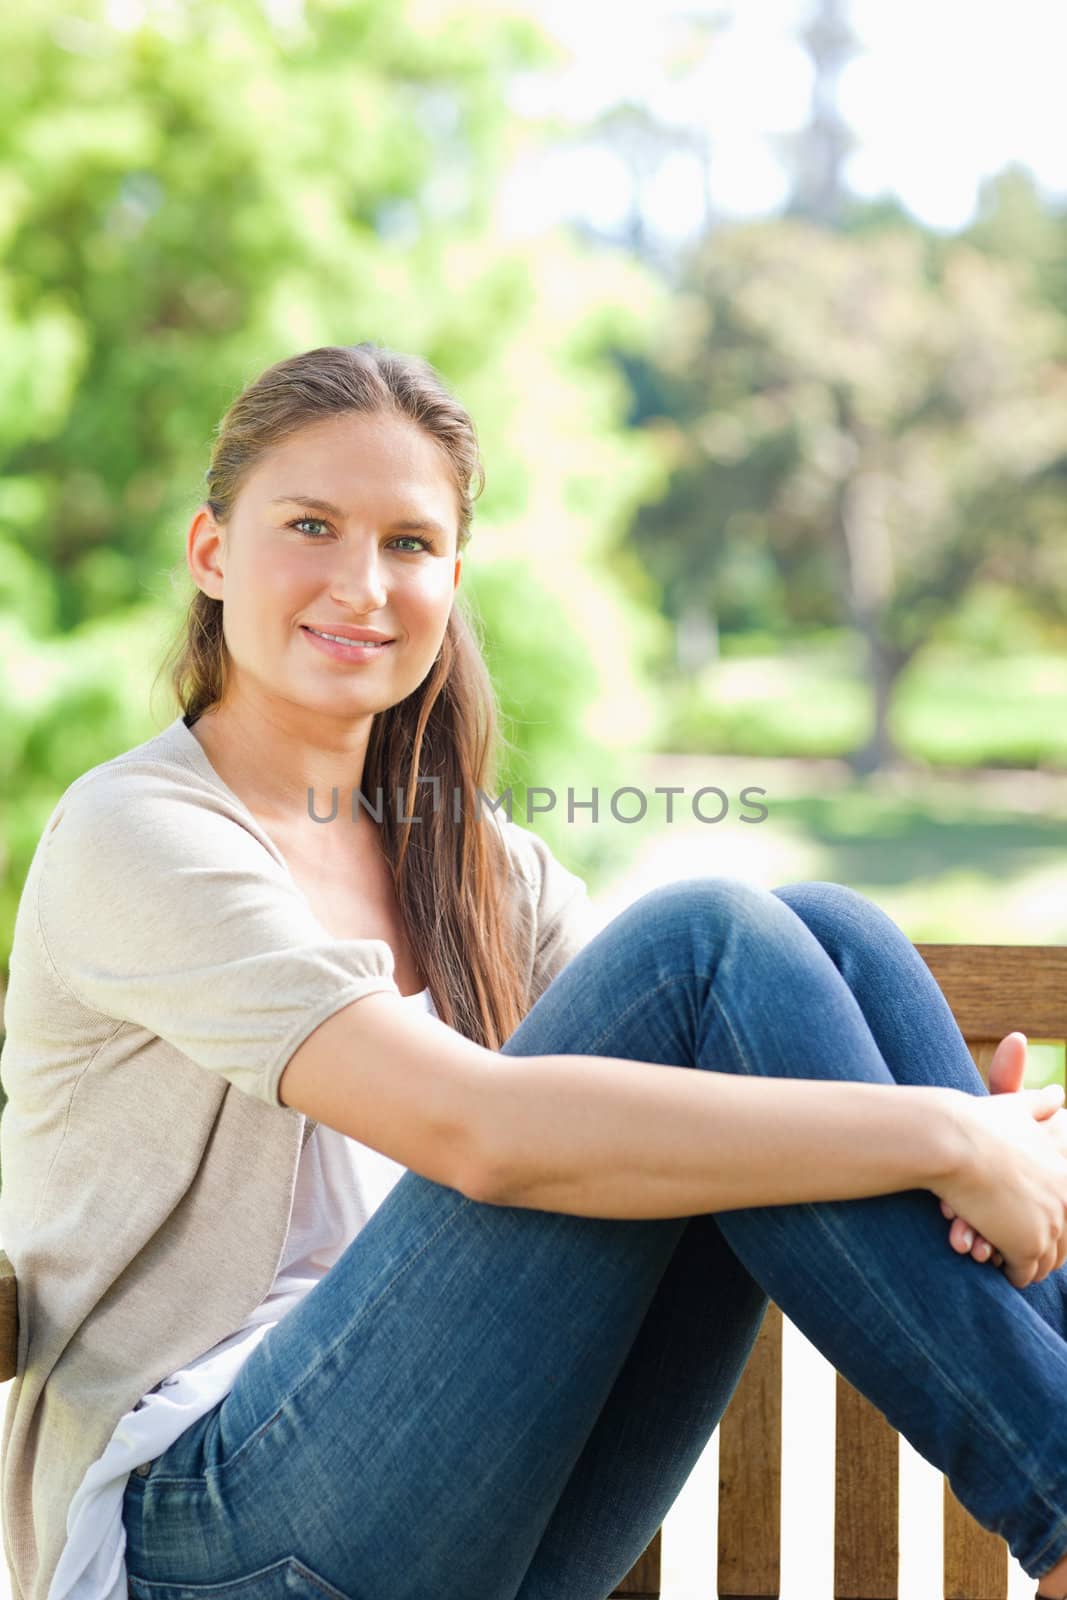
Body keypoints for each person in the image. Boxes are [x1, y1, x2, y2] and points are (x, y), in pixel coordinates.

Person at [2, 341, 1067, 1600]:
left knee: (827, 932)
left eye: (409, 543)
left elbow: (721, 1024)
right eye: (310, 525)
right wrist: (945, 1133)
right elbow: (484, 1132)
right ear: (212, 551)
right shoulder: (142, 833)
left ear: (452, 578)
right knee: (706, 940)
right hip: (207, 1531)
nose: (362, 582)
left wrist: (959, 1135)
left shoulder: (468, 859)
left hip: (465, 1507)